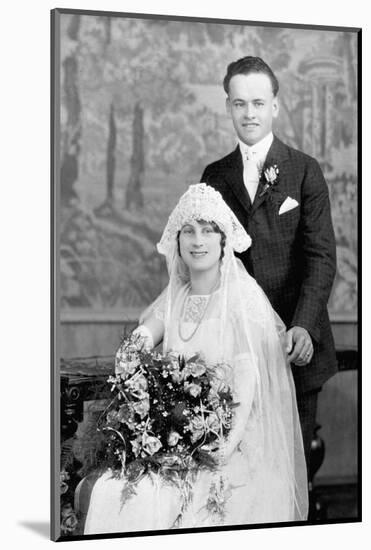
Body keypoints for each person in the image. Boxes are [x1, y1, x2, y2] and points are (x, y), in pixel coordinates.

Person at [84, 183, 308, 534]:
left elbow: (248, 380)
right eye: (188, 231)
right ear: (177, 242)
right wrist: (134, 355)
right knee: (119, 491)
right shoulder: (176, 296)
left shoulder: (240, 300)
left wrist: (228, 441)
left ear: (223, 243)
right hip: (174, 433)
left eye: (207, 231)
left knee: (182, 500)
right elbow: (144, 337)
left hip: (229, 437)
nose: (197, 241)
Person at [201, 56, 337, 470]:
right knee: (241, 472)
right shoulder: (214, 175)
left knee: (291, 469)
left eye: (258, 103)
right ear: (228, 106)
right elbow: (208, 260)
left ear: (275, 106)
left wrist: (303, 324)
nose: (249, 113)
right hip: (236, 347)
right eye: (239, 103)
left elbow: (321, 257)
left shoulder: (304, 171)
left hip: (296, 342)